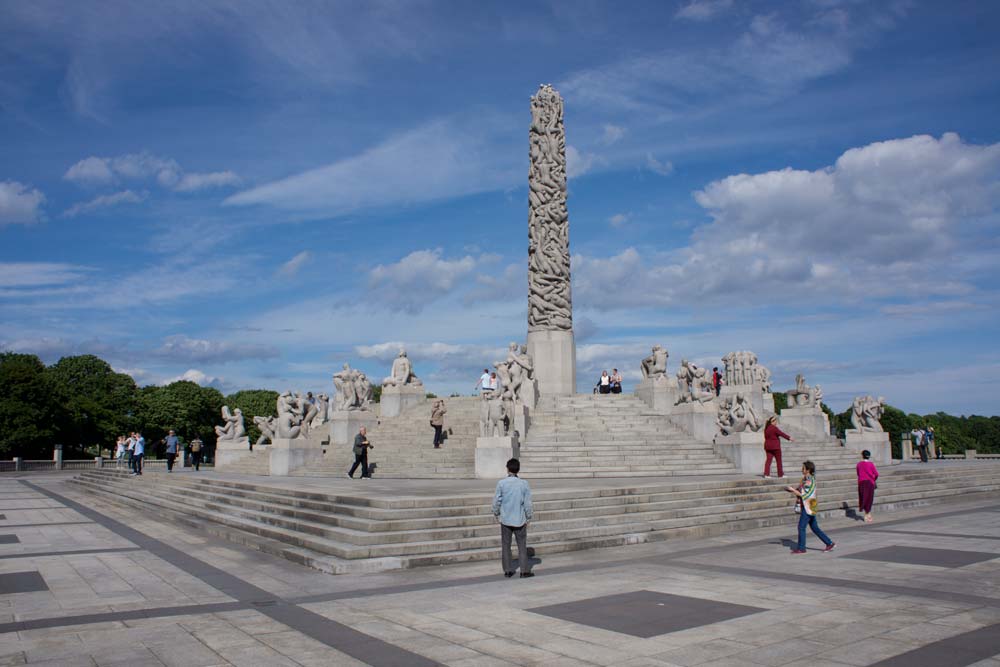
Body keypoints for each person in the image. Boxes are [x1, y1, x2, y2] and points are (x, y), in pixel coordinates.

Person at [492, 458, 533, 578]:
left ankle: (508, 570)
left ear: (508, 469)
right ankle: (524, 571)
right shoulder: (524, 484)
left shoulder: (501, 483)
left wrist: (496, 513)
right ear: (518, 469)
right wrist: (529, 517)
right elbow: (527, 503)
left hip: (506, 519)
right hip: (519, 519)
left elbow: (496, 501)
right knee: (521, 545)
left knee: (506, 545)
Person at [785, 461, 834, 553]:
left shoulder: (809, 480)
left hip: (808, 506)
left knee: (801, 527)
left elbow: (805, 494)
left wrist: (792, 490)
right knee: (814, 527)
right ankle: (829, 543)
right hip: (810, 506)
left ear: (808, 470)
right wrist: (792, 490)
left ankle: (801, 548)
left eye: (803, 468)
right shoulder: (806, 479)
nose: (801, 470)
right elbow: (801, 491)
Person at [857, 450, 878, 523]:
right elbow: (876, 474)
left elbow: (858, 473)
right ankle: (867, 514)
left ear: (862, 455)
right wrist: (873, 479)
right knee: (869, 498)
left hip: (862, 482)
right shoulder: (871, 464)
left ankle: (867, 514)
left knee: (863, 498)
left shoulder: (859, 464)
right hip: (870, 483)